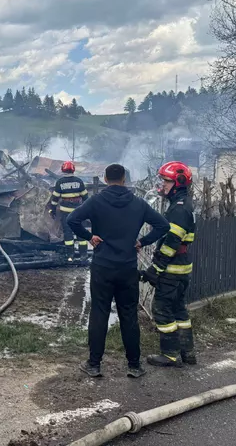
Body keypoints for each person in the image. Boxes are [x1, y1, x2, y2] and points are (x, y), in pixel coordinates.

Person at [68, 163, 169, 378]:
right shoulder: (138, 203)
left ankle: (94, 365)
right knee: (129, 315)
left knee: (99, 313)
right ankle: (134, 366)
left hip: (102, 267)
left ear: (105, 179)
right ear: (124, 179)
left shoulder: (96, 201)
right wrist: (142, 241)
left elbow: (72, 219)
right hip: (127, 268)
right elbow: (163, 226)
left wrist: (89, 238)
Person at [142, 161, 197, 368]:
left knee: (162, 309)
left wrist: (156, 268)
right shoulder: (184, 204)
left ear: (178, 183)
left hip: (172, 270)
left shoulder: (179, 209)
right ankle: (187, 353)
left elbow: (171, 243)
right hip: (182, 268)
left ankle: (170, 354)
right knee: (180, 311)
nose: (162, 185)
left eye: (166, 181)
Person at [48, 161, 89, 260]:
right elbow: (86, 198)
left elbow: (55, 199)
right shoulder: (79, 181)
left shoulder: (60, 182)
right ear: (73, 170)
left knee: (68, 232)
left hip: (66, 212)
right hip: (79, 212)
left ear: (63, 170)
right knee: (81, 231)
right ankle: (83, 254)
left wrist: (52, 210)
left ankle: (70, 255)